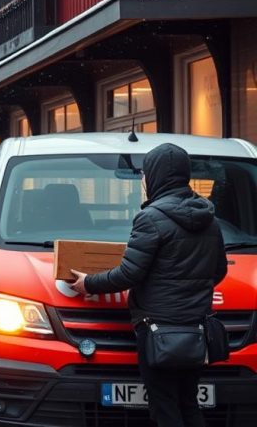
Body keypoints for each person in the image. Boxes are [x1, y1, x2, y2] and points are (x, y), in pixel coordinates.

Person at [71, 143, 227, 427]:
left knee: (164, 407)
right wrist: (188, 291)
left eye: (145, 173)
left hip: (158, 331)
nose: (143, 179)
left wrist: (88, 283)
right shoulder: (211, 221)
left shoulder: (151, 218)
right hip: (195, 330)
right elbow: (218, 271)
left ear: (156, 176)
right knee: (189, 403)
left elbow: (129, 274)